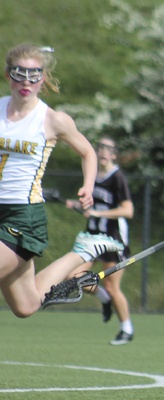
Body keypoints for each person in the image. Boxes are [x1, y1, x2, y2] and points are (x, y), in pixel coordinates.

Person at [0, 44, 123, 318]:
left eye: (34, 75)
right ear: (8, 75)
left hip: (22, 217)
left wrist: (88, 186)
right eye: (20, 74)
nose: (26, 82)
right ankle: (81, 253)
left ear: (42, 79)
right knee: (25, 306)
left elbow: (88, 152)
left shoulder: (52, 120)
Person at [66, 136, 135, 345]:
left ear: (114, 155)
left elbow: (128, 210)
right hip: (92, 237)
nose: (103, 152)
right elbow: (90, 206)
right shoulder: (92, 174)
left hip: (113, 240)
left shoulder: (117, 178)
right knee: (74, 276)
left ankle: (126, 330)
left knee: (114, 287)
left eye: (108, 149)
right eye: (100, 148)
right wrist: (80, 207)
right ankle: (104, 299)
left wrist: (96, 214)